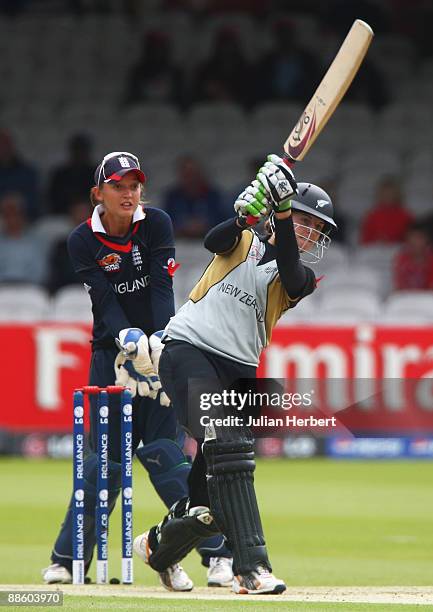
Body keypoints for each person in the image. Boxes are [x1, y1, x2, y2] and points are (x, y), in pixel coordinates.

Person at [133, 155, 337, 595]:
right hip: (187, 350)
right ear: (288, 216)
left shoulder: (300, 278)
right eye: (310, 224)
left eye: (319, 230)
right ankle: (252, 568)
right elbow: (215, 238)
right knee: (229, 441)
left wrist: (281, 212)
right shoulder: (242, 239)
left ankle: (157, 548)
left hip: (239, 373)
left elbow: (290, 271)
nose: (314, 234)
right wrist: (246, 213)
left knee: (209, 503)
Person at [42, 151, 233, 590]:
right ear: (98, 193)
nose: (128, 194)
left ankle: (218, 556)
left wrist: (160, 343)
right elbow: (104, 300)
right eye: (118, 186)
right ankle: (68, 560)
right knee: (103, 465)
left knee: (167, 457)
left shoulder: (157, 223)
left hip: (160, 352)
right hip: (111, 357)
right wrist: (127, 338)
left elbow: (163, 288)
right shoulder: (81, 239)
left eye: (134, 186)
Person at [162, 155, 226, 238]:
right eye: (187, 175)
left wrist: (204, 226)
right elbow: (165, 223)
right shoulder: (172, 197)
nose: (191, 179)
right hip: (180, 244)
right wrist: (183, 227)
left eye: (193, 174)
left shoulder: (213, 196)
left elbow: (222, 222)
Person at [0, 192, 46, 284]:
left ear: (22, 216)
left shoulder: (35, 242)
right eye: (7, 214)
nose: (12, 219)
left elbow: (41, 273)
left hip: (29, 290)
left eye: (15, 213)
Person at [47, 133, 96, 215]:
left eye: (82, 150)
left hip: (92, 215)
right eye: (77, 149)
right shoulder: (60, 174)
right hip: (63, 217)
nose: (80, 153)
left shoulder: (97, 173)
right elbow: (53, 200)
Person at [360, 176, 413, 244]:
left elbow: (411, 239)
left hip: (399, 248)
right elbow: (365, 240)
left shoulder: (406, 215)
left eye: (390, 193)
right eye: (384, 193)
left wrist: (392, 241)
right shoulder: (371, 215)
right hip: (376, 249)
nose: (387, 196)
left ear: (397, 194)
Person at [393, 224, 433, 291]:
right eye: (412, 237)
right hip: (407, 296)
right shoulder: (402, 258)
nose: (415, 241)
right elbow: (399, 285)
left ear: (426, 239)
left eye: (419, 237)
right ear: (407, 239)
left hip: (428, 298)